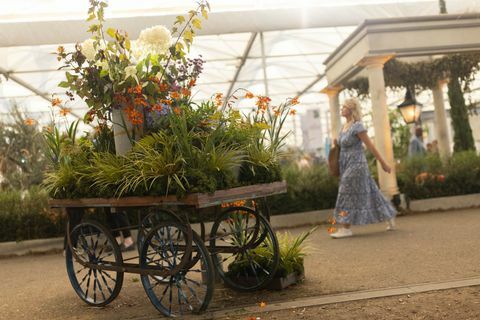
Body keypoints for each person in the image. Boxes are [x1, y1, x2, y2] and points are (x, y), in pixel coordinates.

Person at [330, 98, 396, 239]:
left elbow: (370, 146)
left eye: (344, 107)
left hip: (357, 164)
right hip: (345, 164)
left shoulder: (358, 126)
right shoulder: (344, 126)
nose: (341, 109)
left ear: (351, 109)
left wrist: (383, 163)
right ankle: (389, 216)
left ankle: (345, 227)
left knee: (344, 192)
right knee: (372, 191)